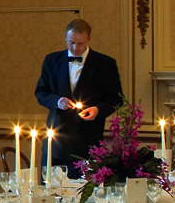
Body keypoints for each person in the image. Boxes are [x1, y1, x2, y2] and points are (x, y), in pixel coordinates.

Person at [34, 20, 124, 170]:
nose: (76, 48)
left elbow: (116, 98)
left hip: (87, 143)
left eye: (80, 43)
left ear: (89, 39)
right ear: (65, 37)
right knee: (50, 190)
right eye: (72, 42)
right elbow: (41, 92)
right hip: (56, 141)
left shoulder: (105, 64)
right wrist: (57, 101)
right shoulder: (52, 60)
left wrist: (97, 110)